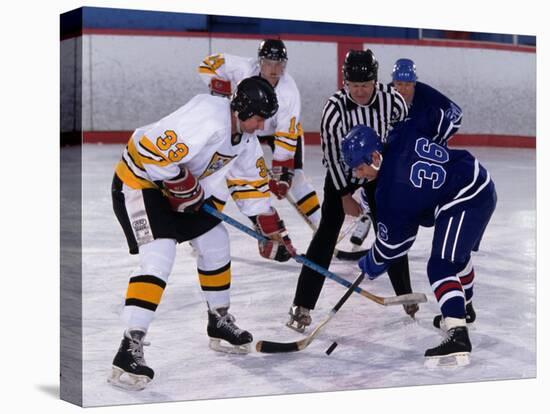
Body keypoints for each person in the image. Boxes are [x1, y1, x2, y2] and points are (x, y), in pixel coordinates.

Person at [108, 76, 297, 390]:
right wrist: (180, 180)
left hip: (180, 193)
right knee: (159, 256)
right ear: (241, 109)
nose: (261, 125)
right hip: (139, 184)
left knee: (216, 241)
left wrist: (269, 229)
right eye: (258, 118)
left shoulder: (246, 140)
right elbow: (145, 149)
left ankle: (218, 320)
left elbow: (249, 185)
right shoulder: (208, 115)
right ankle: (129, 345)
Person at [341, 117, 497, 367]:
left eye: (359, 167)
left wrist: (370, 264)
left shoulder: (391, 191)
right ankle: (464, 309)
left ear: (375, 157)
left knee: (441, 266)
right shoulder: (400, 135)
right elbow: (440, 120)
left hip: (465, 197)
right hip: (478, 181)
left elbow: (395, 246)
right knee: (458, 257)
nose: (358, 174)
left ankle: (458, 335)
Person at [287, 49, 411, 333]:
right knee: (326, 236)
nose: (359, 91)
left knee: (389, 229)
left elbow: (400, 144)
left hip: (379, 172)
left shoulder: (394, 103)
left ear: (376, 81)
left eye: (365, 85)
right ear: (345, 82)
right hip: (343, 172)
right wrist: (344, 195)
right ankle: (301, 305)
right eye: (353, 86)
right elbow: (331, 157)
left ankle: (405, 294)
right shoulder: (334, 110)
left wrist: (391, 181)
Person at [198, 39, 322, 226]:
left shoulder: (289, 92)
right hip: (247, 127)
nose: (273, 69)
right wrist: (224, 90)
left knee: (296, 179)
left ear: (285, 65)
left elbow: (286, 134)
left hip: (276, 133)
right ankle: (202, 227)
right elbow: (208, 64)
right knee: (221, 175)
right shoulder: (243, 68)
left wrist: (282, 174)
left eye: (278, 64)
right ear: (259, 62)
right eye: (268, 63)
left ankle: (322, 228)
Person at [350, 58, 463, 250]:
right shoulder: (383, 96)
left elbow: (456, 114)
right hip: (393, 147)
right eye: (399, 84)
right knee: (374, 177)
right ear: (393, 82)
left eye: (408, 84)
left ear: (415, 83)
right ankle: (369, 216)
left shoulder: (426, 95)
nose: (403, 88)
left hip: (417, 150)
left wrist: (437, 138)